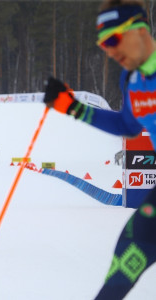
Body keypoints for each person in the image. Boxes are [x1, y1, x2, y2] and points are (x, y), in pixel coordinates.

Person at [42, 1, 156, 298]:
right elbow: (128, 126)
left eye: (114, 39)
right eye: (104, 45)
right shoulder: (132, 79)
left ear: (141, 30)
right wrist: (73, 107)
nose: (111, 51)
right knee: (125, 259)